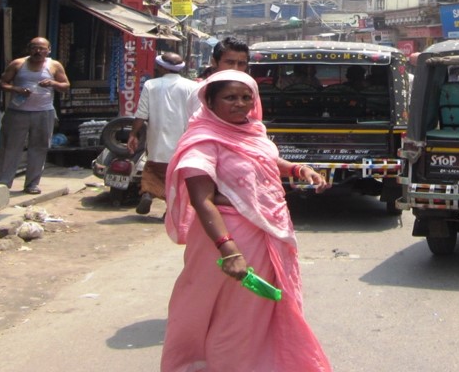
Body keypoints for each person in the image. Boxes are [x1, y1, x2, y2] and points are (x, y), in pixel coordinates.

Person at [162, 70, 332, 371]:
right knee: (236, 317)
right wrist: (230, 251)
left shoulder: (253, 131)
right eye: (230, 97)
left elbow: (265, 160)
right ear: (210, 103)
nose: (240, 104)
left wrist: (297, 169)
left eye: (246, 97)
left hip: (268, 234)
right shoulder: (203, 141)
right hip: (232, 240)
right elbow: (202, 200)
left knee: (264, 310)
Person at [0, 37, 71, 194]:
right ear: (29, 49)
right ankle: (2, 182)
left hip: (44, 113)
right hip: (17, 113)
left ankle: (32, 184)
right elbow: (2, 82)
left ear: (48, 50)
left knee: (39, 148)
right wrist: (16, 89)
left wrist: (53, 83)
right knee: (10, 147)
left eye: (42, 48)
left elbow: (66, 86)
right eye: (34, 47)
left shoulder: (54, 65)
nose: (38, 51)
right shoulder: (18, 64)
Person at [128, 52, 200, 215]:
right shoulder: (192, 87)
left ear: (161, 67)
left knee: (152, 171)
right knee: (177, 179)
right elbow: (197, 117)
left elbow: (141, 114)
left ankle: (148, 193)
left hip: (156, 143)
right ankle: (170, 210)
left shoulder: (151, 85)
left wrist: (133, 134)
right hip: (182, 144)